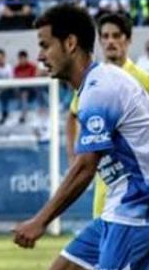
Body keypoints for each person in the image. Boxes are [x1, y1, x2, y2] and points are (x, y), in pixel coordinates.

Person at [4, 4, 149, 270]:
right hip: (121, 206)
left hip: (139, 211)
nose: (40, 55)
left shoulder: (101, 89)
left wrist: (39, 221)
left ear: (70, 43)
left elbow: (85, 168)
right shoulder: (89, 88)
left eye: (45, 44)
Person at [64, 12, 149, 221]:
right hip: (106, 185)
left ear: (128, 40)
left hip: (138, 188)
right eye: (105, 36)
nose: (110, 41)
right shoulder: (92, 81)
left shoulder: (142, 80)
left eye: (116, 35)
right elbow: (72, 115)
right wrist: (73, 157)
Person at [13, 50, 38, 123]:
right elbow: (15, 80)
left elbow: (35, 79)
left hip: (32, 89)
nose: (22, 60)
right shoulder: (16, 68)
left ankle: (23, 115)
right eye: (20, 59)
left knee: (25, 94)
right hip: (20, 89)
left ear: (26, 58)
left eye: (23, 58)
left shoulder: (32, 67)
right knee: (21, 92)